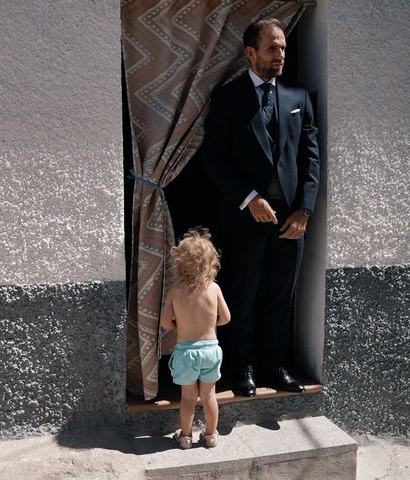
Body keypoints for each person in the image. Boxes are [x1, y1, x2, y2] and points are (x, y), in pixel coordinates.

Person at [200, 17, 320, 397]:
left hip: (290, 219)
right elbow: (214, 158)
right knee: (244, 292)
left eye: (283, 47)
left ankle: (275, 365)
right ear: (251, 53)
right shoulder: (228, 97)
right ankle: (243, 367)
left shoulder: (298, 97)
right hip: (244, 216)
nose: (280, 54)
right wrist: (249, 198)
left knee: (280, 294)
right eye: (272, 48)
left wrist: (304, 209)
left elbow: (311, 158)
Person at [160, 229, 231, 449]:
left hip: (185, 351)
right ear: (212, 264)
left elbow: (164, 323)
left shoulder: (175, 292)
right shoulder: (215, 289)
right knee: (209, 395)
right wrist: (209, 325)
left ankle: (186, 437)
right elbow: (226, 318)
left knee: (188, 397)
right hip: (210, 350)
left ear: (179, 264)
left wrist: (179, 326)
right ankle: (210, 436)